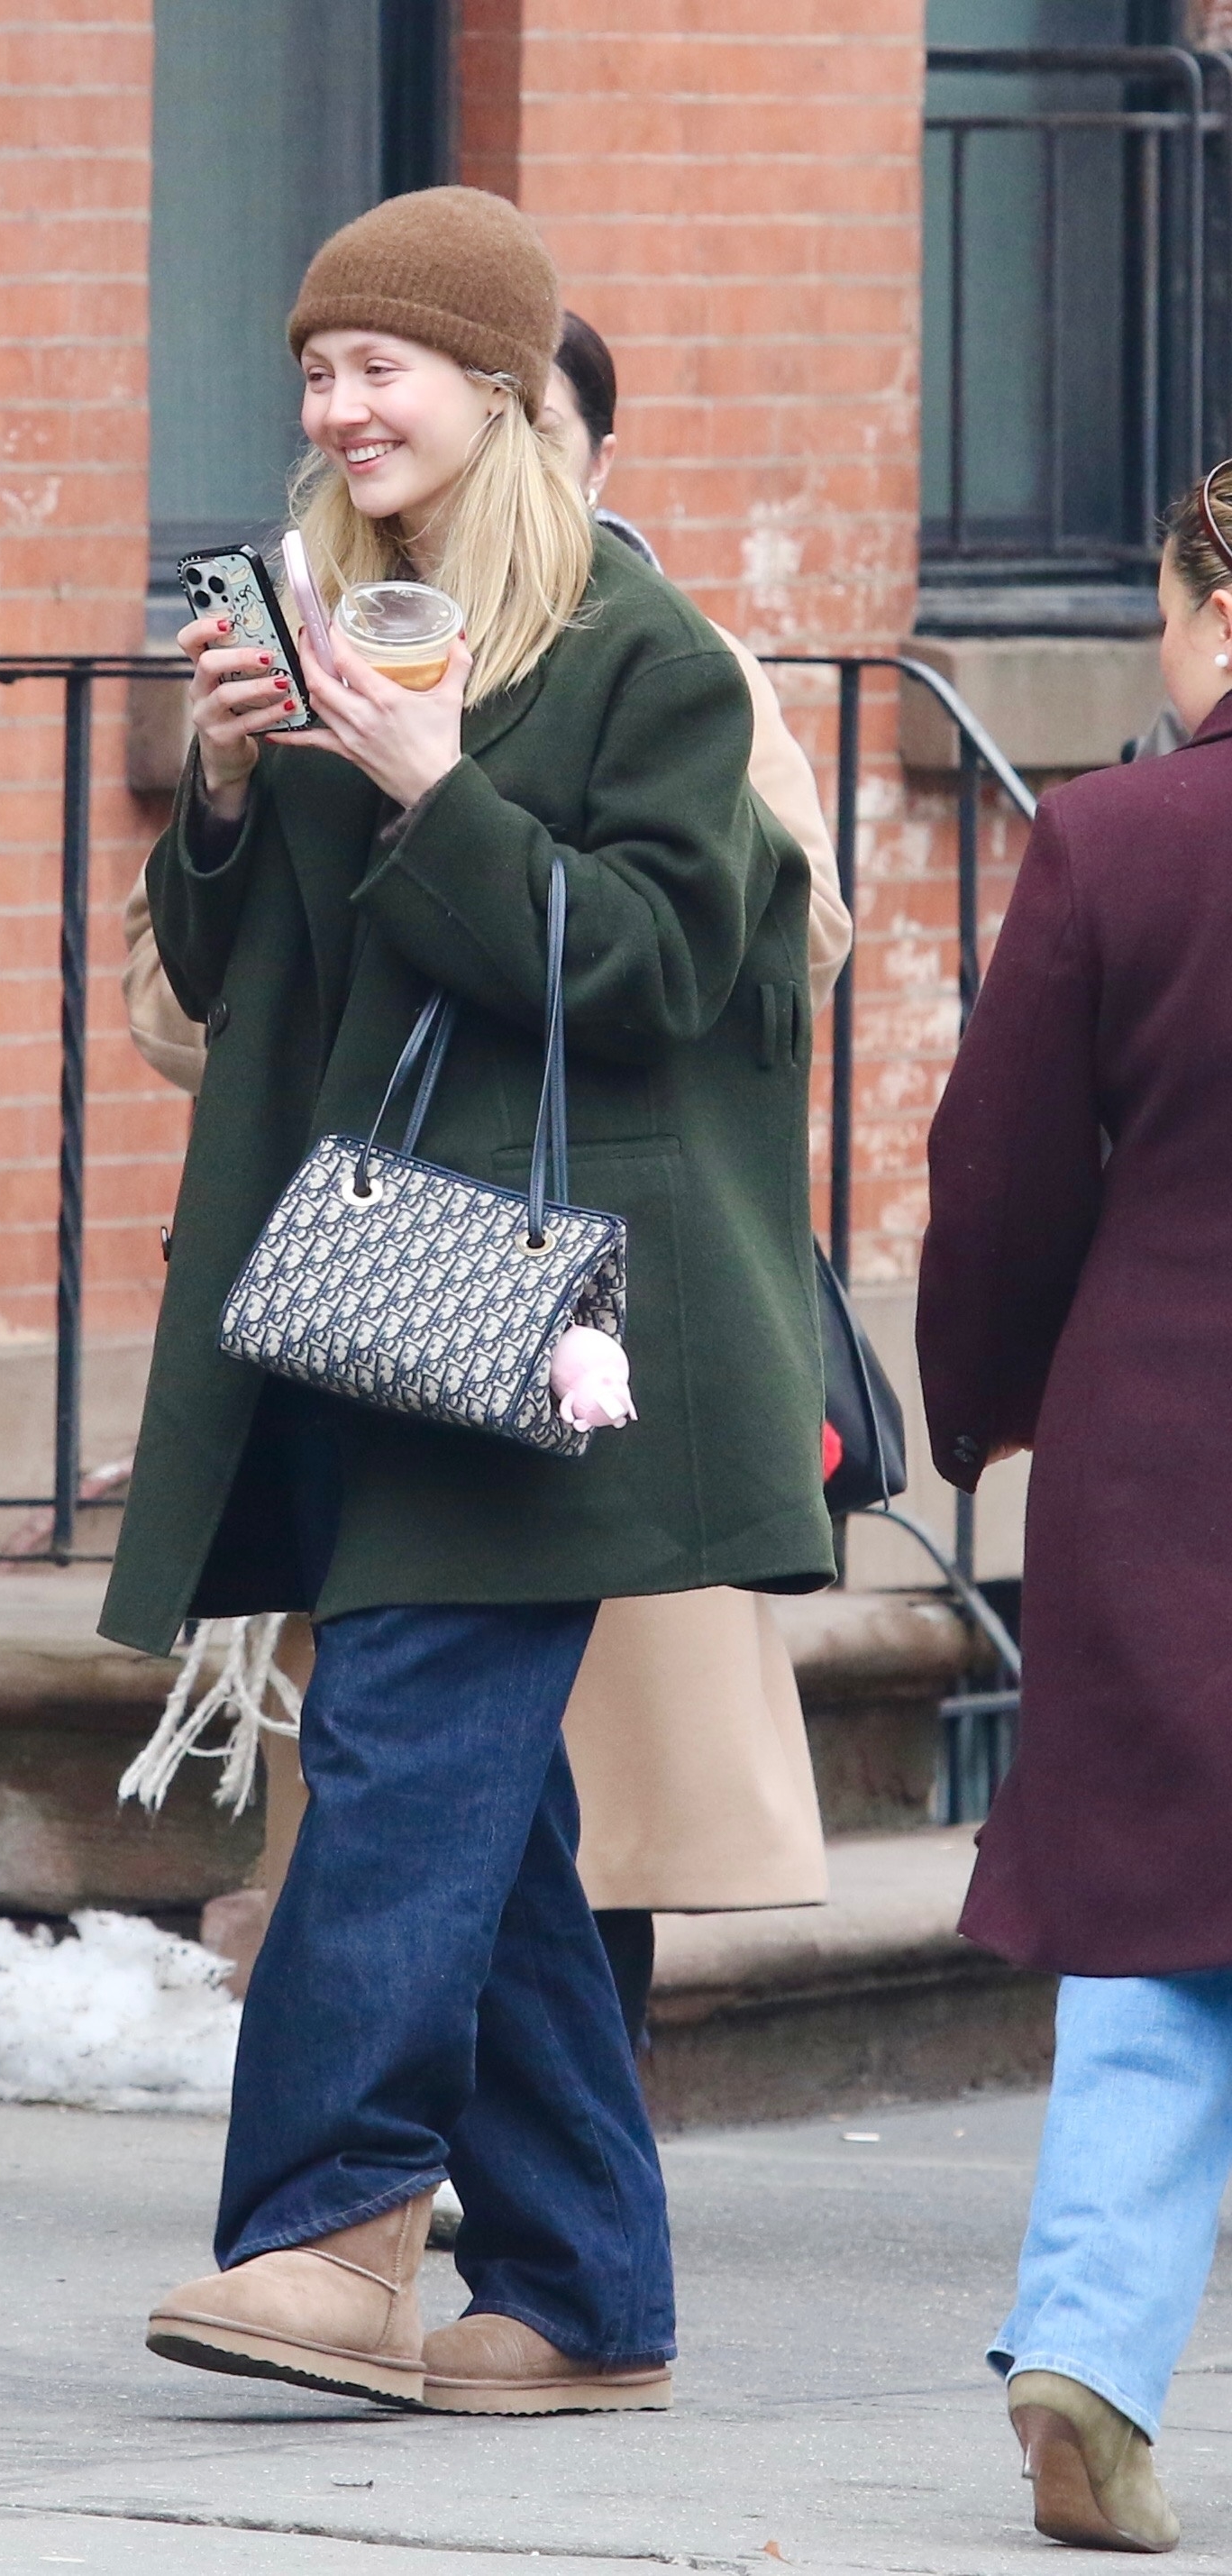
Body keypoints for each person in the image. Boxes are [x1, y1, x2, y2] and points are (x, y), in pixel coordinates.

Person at [101, 186, 833, 2420]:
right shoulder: (323, 621)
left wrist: (432, 789)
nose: (336, 406)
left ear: (498, 395)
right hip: (355, 1283)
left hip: (548, 1316)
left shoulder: (640, 657)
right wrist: (230, 786)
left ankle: (335, 2225)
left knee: (415, 1750)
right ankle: (590, 2293)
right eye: (315, 371)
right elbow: (233, 985)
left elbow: (660, 974)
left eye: (379, 368)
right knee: (489, 1817)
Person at [916, 461, 1232, 2553]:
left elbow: (999, 1175)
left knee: (1149, 1926)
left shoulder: (1114, 838)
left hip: (1163, 1431)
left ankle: (1089, 2359)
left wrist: (979, 1402)